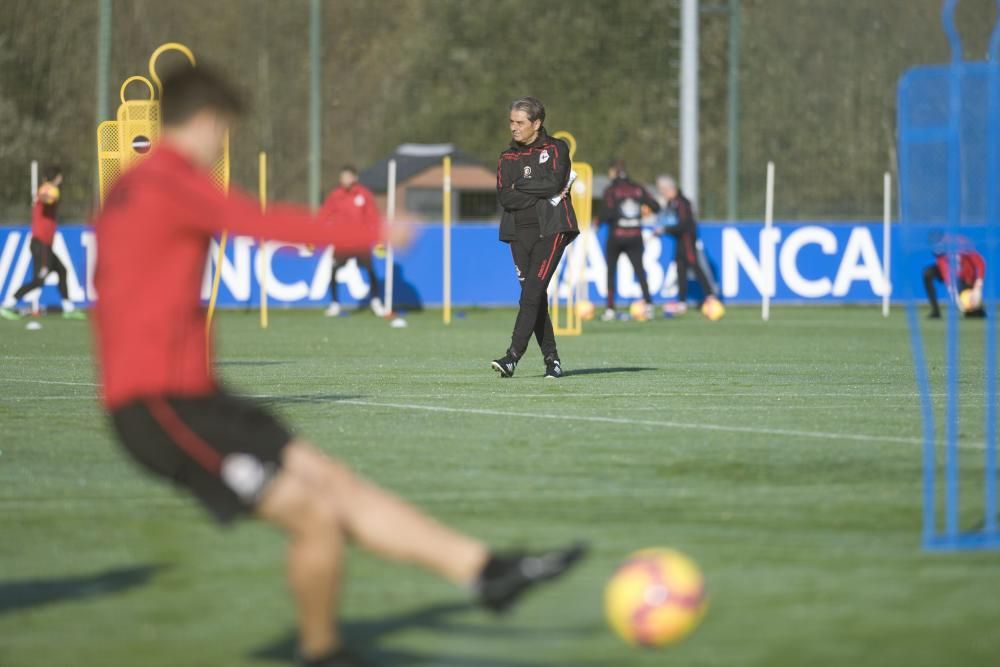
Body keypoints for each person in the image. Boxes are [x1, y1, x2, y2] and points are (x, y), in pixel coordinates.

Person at [93, 66, 585, 667]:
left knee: (336, 483)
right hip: (160, 405)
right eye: (221, 131)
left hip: (200, 396)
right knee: (316, 518)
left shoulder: (135, 186)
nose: (221, 145)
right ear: (201, 121)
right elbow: (261, 223)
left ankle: (486, 571)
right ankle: (322, 652)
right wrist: (372, 229)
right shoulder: (167, 181)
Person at [492, 96, 579, 379]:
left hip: (552, 230)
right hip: (518, 233)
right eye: (511, 122)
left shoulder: (556, 148)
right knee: (534, 297)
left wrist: (523, 187)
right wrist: (539, 191)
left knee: (531, 293)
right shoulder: (507, 157)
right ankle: (552, 360)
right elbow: (506, 196)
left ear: (536, 123)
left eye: (520, 122)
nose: (513, 128)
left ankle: (512, 357)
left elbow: (555, 183)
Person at [0, 165, 84, 320]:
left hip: (45, 246)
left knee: (62, 270)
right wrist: (49, 195)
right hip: (41, 244)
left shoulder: (49, 190)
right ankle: (7, 304)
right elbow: (45, 195)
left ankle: (68, 307)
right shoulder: (47, 190)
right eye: (60, 177)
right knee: (39, 280)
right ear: (57, 177)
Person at [317, 166, 385, 317]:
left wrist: (378, 238)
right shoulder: (335, 195)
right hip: (342, 242)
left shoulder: (364, 194)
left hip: (360, 242)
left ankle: (376, 302)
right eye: (342, 177)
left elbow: (373, 216)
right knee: (334, 271)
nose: (344, 180)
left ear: (355, 178)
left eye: (347, 177)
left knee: (370, 270)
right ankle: (335, 304)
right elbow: (324, 215)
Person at [598, 161, 659, 321]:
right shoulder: (638, 188)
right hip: (635, 236)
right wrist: (641, 213)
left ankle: (610, 309)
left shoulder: (611, 190)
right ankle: (649, 305)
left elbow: (607, 213)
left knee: (611, 272)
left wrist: (598, 222)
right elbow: (656, 206)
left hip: (616, 236)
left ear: (614, 173)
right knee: (639, 270)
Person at [656, 175, 717, 314]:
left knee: (694, 266)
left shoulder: (682, 203)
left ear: (670, 188)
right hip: (679, 240)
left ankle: (710, 295)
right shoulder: (671, 203)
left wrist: (665, 229)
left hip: (687, 239)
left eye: (663, 191)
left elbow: (684, 224)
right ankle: (682, 301)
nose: (663, 194)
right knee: (680, 269)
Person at [924, 242, 986, 319]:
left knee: (970, 310)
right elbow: (946, 273)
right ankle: (935, 311)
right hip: (954, 278)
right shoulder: (941, 255)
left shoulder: (963, 247)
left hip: (966, 278)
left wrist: (978, 286)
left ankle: (976, 309)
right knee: (927, 272)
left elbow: (980, 263)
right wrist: (956, 298)